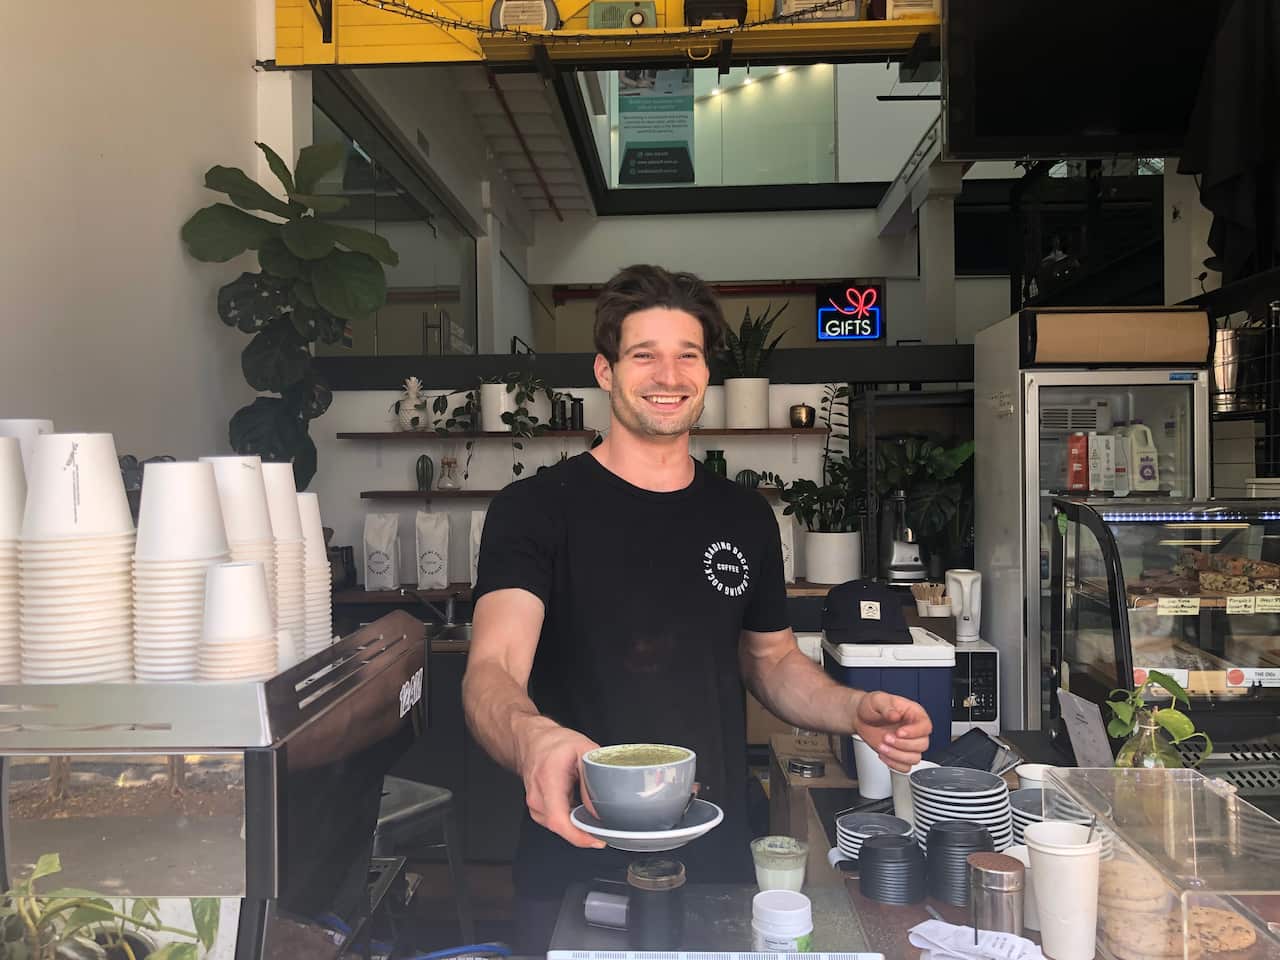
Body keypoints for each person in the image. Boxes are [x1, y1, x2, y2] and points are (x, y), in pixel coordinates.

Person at [463, 265, 933, 949]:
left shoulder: (743, 516)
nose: (668, 374)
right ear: (604, 370)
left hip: (713, 853)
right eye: (643, 354)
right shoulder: (536, 510)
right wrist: (532, 735)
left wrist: (852, 711)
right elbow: (491, 670)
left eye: (687, 354)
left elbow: (771, 660)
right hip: (573, 857)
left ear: (707, 373)